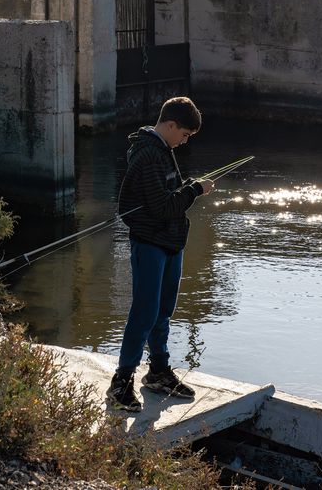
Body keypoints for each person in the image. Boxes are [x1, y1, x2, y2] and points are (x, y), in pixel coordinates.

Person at [106, 96, 215, 413]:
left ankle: (158, 372)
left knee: (163, 310)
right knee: (144, 312)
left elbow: (167, 195)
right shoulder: (149, 156)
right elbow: (164, 206)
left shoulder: (163, 151)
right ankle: (121, 382)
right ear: (170, 125)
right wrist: (196, 190)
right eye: (184, 135)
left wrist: (188, 187)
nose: (184, 141)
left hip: (169, 243)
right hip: (150, 244)